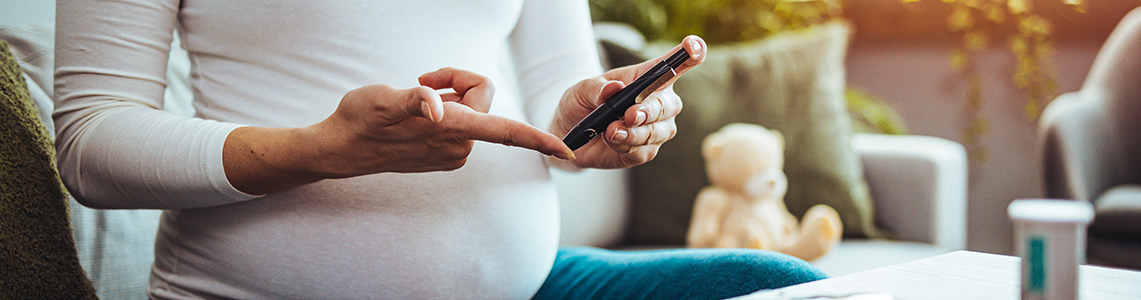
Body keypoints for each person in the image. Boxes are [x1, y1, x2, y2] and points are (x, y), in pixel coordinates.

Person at [53, 0, 826, 299]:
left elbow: (562, 82)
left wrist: (596, 118)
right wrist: (323, 149)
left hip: (531, 286)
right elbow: (92, 143)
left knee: (784, 286)